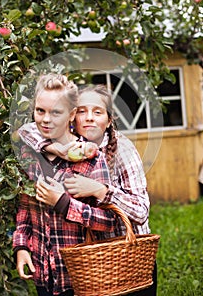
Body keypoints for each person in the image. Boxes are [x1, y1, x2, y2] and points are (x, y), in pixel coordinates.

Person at [18, 84, 157, 296]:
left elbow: (140, 212)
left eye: (98, 112)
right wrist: (52, 147)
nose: (89, 118)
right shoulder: (66, 147)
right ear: (73, 116)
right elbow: (26, 130)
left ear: (109, 121)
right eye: (82, 111)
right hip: (94, 258)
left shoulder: (123, 151)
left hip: (127, 252)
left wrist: (100, 190)